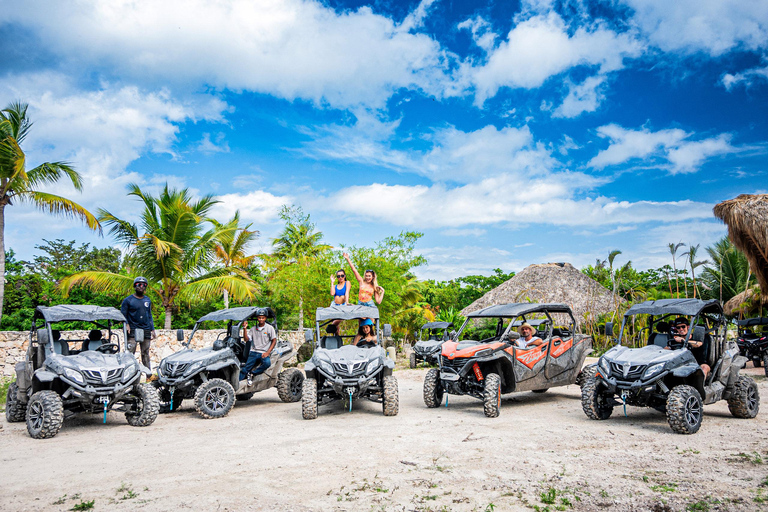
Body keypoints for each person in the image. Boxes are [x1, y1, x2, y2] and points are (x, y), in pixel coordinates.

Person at [121, 276, 156, 371]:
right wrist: (126, 324)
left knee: (145, 352)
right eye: (139, 284)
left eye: (144, 285)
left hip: (146, 329)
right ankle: (127, 372)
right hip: (133, 329)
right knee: (130, 352)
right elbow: (123, 315)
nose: (141, 286)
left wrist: (152, 329)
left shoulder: (147, 300)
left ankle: (148, 373)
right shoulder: (128, 300)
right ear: (135, 286)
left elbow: (149, 315)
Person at [240, 309, 277, 386]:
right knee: (245, 369)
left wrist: (268, 352)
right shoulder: (253, 328)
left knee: (267, 363)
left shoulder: (270, 328)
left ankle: (252, 373)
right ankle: (236, 385)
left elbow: (274, 340)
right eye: (259, 317)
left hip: (264, 352)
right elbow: (246, 339)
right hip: (253, 351)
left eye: (262, 318)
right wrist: (244, 329)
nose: (261, 319)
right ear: (257, 318)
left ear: (265, 318)